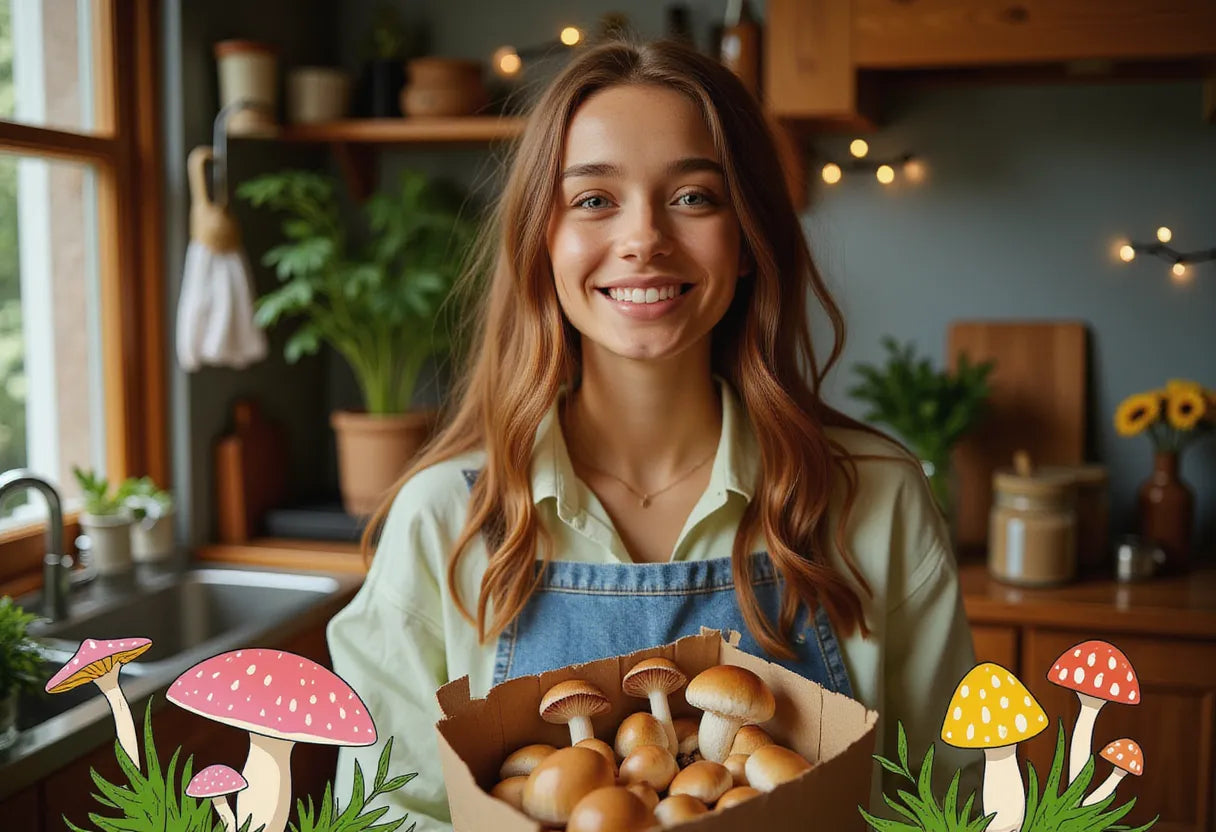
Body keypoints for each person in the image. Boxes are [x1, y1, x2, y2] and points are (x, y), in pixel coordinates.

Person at [327, 37, 979, 830]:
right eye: (594, 200)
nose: (644, 239)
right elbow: (383, 815)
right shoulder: (444, 518)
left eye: (695, 197)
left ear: (748, 239)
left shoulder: (876, 495)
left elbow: (949, 804)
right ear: (542, 241)